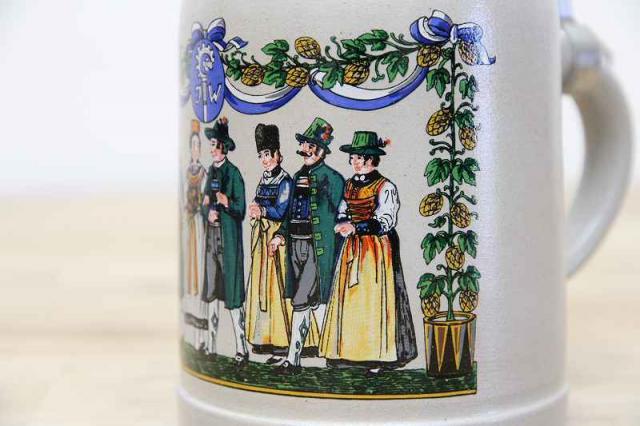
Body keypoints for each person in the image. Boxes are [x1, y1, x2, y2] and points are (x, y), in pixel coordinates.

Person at [319, 131, 418, 375]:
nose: (354, 161)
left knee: (373, 299)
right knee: (349, 298)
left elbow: (386, 220)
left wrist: (358, 227)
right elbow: (343, 209)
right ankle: (348, 354)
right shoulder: (350, 184)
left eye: (359, 157)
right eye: (353, 157)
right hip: (352, 247)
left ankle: (377, 355)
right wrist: (342, 223)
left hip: (377, 250)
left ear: (371, 159)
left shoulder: (385, 186)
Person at [269, 117, 345, 374]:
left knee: (302, 300)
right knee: (315, 303)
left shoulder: (333, 179)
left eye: (313, 146)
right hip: (295, 247)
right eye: (305, 145)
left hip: (317, 249)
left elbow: (341, 215)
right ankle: (333, 356)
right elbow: (289, 214)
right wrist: (280, 235)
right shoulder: (297, 176)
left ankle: (293, 360)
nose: (307, 150)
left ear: (321, 151)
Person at [201, 116, 249, 366]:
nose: (211, 149)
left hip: (228, 242)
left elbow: (240, 209)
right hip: (212, 240)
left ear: (223, 147)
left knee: (232, 296)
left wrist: (226, 201)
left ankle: (241, 348)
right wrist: (207, 211)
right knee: (211, 293)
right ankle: (211, 346)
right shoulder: (211, 171)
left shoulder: (234, 173)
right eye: (210, 145)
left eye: (214, 145)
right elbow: (204, 202)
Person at [245, 124, 294, 363]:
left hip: (277, 239)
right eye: (261, 155)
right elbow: (258, 202)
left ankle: (282, 342)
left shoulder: (285, 181)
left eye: (267, 154)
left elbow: (282, 210)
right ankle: (263, 338)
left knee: (276, 287)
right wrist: (254, 210)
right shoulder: (264, 178)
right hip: (262, 238)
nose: (264, 159)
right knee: (260, 285)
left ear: (277, 155)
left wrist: (262, 210)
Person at [182, 119, 208, 352]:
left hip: (199, 226)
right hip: (189, 225)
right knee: (187, 277)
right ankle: (189, 334)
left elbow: (206, 202)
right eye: (192, 145)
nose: (195, 149)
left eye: (198, 145)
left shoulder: (203, 173)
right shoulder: (186, 172)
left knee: (198, 275)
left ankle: (201, 337)